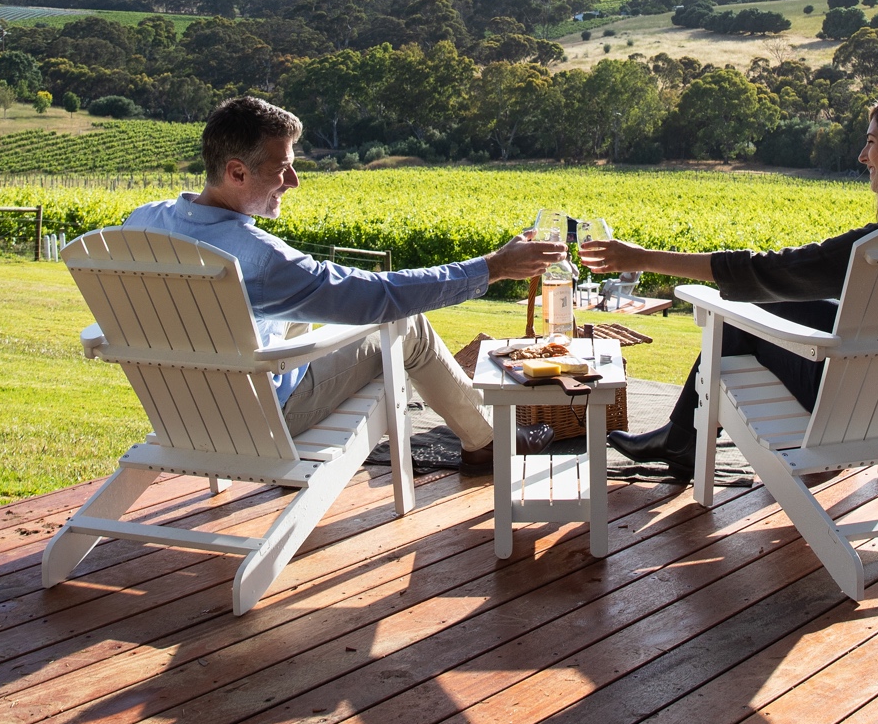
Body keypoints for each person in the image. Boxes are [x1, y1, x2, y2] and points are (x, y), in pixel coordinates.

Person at [122, 95, 561, 474]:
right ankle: (486, 442)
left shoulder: (143, 222)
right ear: (237, 172)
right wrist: (492, 267)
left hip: (180, 411)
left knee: (297, 317)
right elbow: (379, 296)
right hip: (261, 417)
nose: (293, 182)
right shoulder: (256, 256)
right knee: (408, 326)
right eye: (284, 169)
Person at [578, 91, 878, 480]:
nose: (862, 156)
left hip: (851, 405)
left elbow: (771, 271)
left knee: (737, 317)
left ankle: (681, 438)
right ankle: (681, 438)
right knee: (769, 303)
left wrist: (644, 258)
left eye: (872, 142)